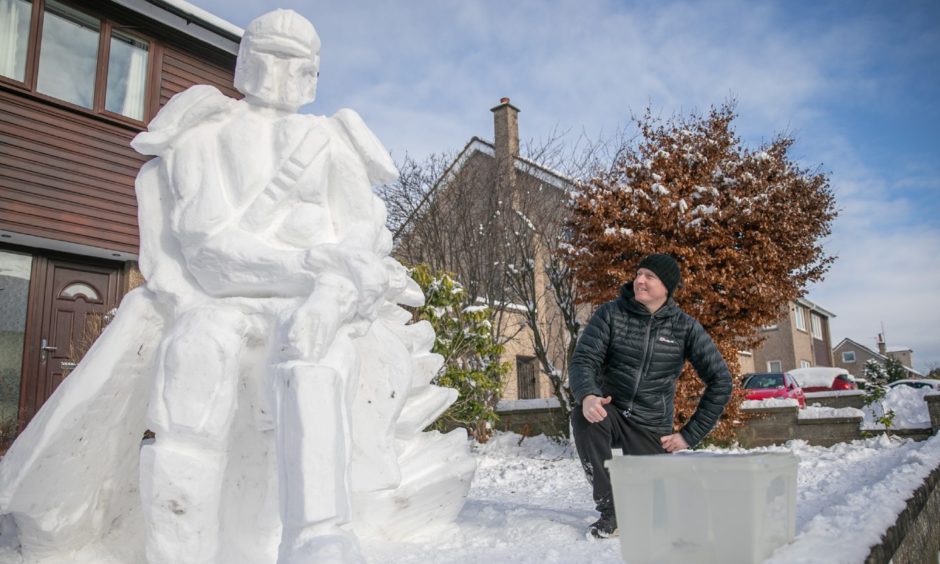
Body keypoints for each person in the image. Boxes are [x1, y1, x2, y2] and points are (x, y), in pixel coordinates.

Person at [569, 253, 732, 538]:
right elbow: (584, 359)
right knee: (585, 417)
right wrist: (589, 396)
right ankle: (612, 512)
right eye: (639, 273)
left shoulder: (685, 328)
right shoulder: (611, 314)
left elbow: (720, 380)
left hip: (651, 425)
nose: (639, 280)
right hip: (613, 411)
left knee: (659, 514)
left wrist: (689, 435)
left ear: (666, 287)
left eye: (649, 276)